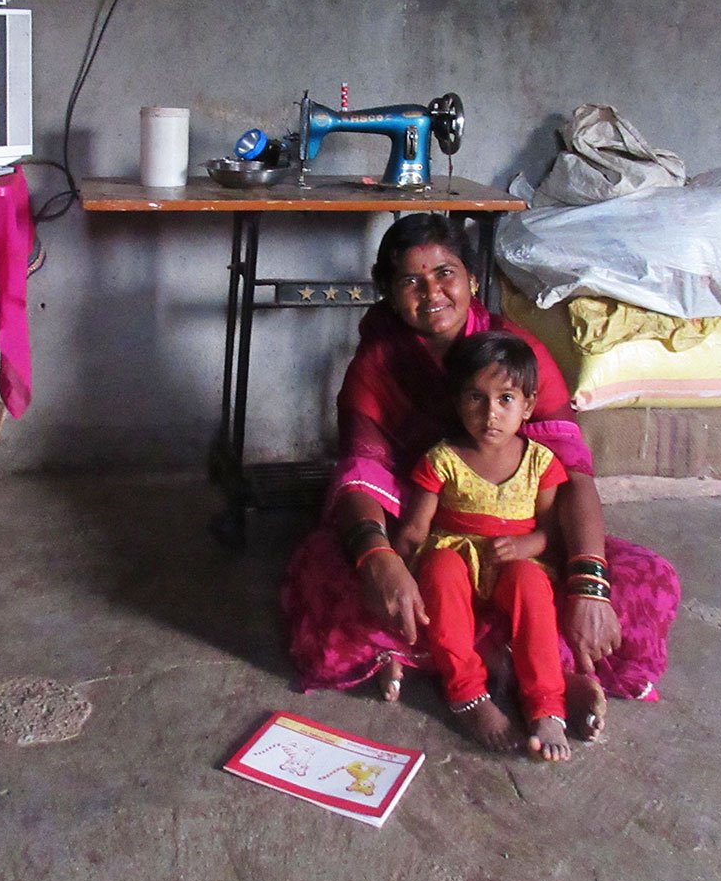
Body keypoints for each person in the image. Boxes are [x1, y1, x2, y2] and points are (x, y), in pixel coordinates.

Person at [282, 212, 681, 740]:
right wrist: (379, 558)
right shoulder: (376, 367)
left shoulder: (521, 356)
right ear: (386, 292)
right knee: (327, 576)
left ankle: (496, 668)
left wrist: (589, 585)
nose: (433, 293)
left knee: (640, 582)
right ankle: (522, 668)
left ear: (471, 278)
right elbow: (361, 475)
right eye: (411, 281)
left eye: (445, 273)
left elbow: (571, 474)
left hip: (517, 545)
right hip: (429, 537)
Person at [394, 331, 573, 760]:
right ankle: (468, 695)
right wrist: (396, 567)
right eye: (475, 398)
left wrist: (528, 544)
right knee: (439, 567)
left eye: (506, 399)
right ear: (457, 402)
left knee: (530, 584)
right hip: (455, 562)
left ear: (528, 405)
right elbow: (416, 529)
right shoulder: (442, 459)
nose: (490, 413)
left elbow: (553, 532)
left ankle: (547, 705)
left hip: (513, 568)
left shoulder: (540, 463)